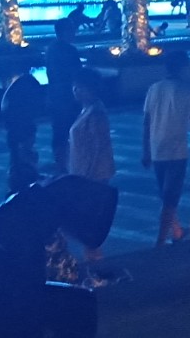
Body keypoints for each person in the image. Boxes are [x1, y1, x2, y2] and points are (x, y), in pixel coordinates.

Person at [142, 48, 190, 246]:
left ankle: (177, 230)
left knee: (165, 193)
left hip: (157, 148)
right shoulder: (186, 90)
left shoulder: (154, 89)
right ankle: (161, 240)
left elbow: (146, 121)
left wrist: (145, 150)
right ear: (184, 67)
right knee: (170, 197)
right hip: (176, 150)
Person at [68, 69, 115, 259]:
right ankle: (93, 258)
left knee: (89, 222)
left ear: (91, 89)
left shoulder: (96, 113)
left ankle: (94, 260)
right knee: (87, 222)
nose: (75, 91)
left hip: (93, 176)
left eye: (80, 88)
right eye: (74, 87)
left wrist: (87, 176)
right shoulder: (86, 110)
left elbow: (98, 146)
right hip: (84, 173)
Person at [45, 19, 83, 170]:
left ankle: (61, 161)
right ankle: (68, 161)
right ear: (63, 32)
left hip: (57, 95)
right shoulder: (69, 50)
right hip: (67, 96)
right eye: (71, 30)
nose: (74, 33)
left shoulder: (51, 49)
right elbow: (76, 73)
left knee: (59, 130)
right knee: (67, 128)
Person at [0, 67, 45, 170]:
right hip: (21, 124)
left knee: (16, 151)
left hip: (17, 124)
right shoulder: (26, 87)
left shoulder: (17, 91)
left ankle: (20, 168)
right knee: (20, 149)